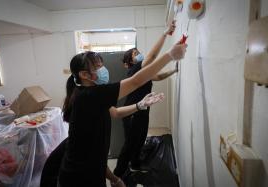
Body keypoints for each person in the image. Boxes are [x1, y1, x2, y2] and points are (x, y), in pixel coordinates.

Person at [51, 39, 186, 186]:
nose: (103, 69)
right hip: (78, 179)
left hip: (90, 172)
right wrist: (169, 55)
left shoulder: (88, 95)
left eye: (101, 64)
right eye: (97, 67)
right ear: (84, 74)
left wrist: (140, 105)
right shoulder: (89, 95)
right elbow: (135, 81)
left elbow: (115, 113)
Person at [113, 21, 178, 179]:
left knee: (140, 139)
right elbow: (152, 56)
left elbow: (159, 76)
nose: (138, 53)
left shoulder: (143, 72)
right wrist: (165, 34)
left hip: (142, 110)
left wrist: (174, 70)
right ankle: (118, 174)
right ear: (130, 61)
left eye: (137, 51)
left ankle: (135, 165)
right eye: (135, 53)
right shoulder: (135, 69)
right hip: (132, 112)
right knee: (130, 144)